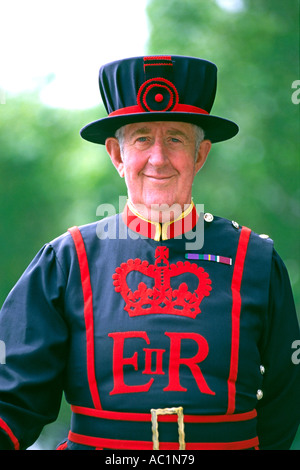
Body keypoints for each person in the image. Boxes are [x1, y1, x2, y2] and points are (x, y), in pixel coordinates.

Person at [0, 55, 299, 451]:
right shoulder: (66, 261)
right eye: (142, 137)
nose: (158, 158)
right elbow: (12, 403)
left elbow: (284, 405)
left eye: (175, 137)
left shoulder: (257, 260)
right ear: (117, 155)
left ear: (200, 154)